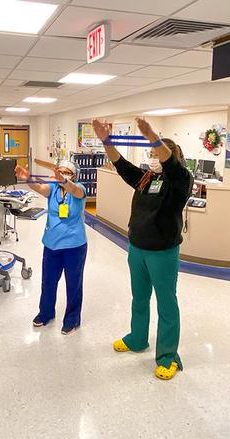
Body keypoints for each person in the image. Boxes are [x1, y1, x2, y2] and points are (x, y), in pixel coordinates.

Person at [92, 117, 193, 380]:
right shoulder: (147, 177)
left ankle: (168, 356)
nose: (152, 157)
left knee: (166, 304)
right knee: (139, 298)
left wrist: (151, 135)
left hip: (163, 251)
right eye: (150, 154)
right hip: (137, 247)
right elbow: (121, 165)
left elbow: (171, 165)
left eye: (155, 153)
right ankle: (137, 339)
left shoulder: (181, 180)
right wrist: (106, 141)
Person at [15, 160, 87, 335]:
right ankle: (46, 313)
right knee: (48, 281)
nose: (62, 174)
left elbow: (75, 191)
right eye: (60, 171)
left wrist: (64, 181)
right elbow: (40, 188)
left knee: (73, 284)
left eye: (66, 172)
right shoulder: (53, 188)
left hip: (74, 246)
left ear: (74, 175)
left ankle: (72, 319)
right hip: (51, 245)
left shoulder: (80, 189)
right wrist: (28, 179)